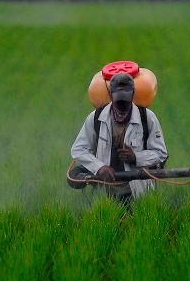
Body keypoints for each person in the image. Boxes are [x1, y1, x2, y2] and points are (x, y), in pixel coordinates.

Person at [70, 72, 168, 208]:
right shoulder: (96, 118)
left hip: (139, 190)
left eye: (125, 103)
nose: (122, 108)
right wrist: (99, 168)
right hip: (106, 191)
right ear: (110, 95)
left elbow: (161, 153)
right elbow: (79, 149)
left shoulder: (147, 118)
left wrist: (136, 157)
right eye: (118, 103)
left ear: (133, 94)